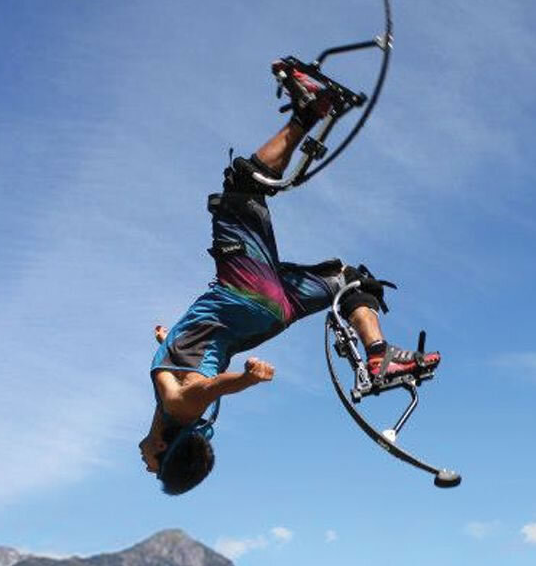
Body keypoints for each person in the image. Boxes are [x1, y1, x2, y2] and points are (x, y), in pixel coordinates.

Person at [140, 62, 440, 494]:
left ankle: (378, 355)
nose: (146, 466)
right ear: (165, 449)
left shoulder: (172, 405)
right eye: (155, 468)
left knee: (349, 280)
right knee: (241, 189)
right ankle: (311, 109)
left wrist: (168, 339)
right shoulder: (176, 405)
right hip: (246, 294)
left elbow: (196, 369)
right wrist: (246, 379)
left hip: (268, 314)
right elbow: (202, 387)